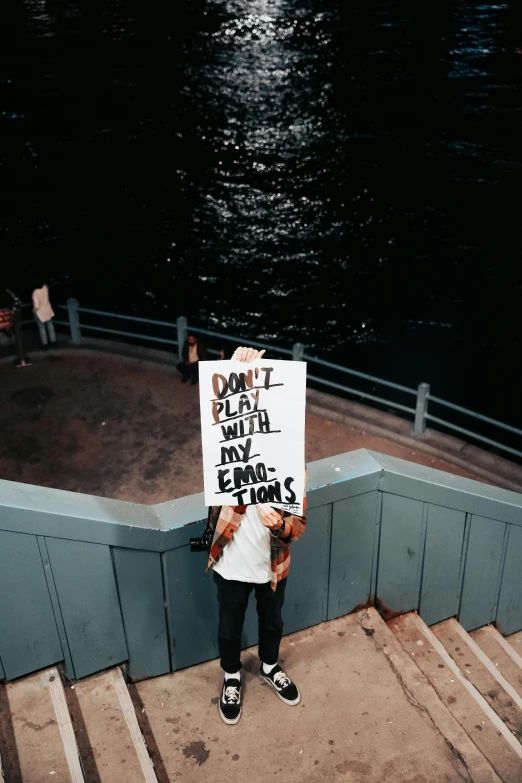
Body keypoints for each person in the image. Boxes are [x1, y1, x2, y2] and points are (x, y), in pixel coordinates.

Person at [204, 345, 307, 726]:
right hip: (229, 562)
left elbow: (298, 526)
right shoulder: (225, 448)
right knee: (228, 628)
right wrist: (233, 369)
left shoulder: (293, 462)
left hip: (272, 567)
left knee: (273, 623)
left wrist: (278, 524)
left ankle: (268, 666)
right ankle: (232, 676)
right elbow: (215, 416)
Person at [32, 279, 56, 349]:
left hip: (40, 312)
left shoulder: (35, 292)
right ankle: (53, 341)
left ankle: (45, 344)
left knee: (42, 328)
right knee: (50, 326)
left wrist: (34, 310)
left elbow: (36, 306)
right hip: (48, 309)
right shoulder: (45, 288)